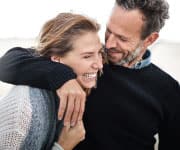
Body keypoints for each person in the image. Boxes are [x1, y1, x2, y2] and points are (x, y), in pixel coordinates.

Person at [0, 0, 180, 150]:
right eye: (109, 31)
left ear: (150, 39)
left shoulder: (169, 90)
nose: (108, 44)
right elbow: (8, 62)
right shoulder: (88, 62)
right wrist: (64, 78)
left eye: (122, 38)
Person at [0, 12, 103, 150]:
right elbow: (6, 62)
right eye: (87, 56)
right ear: (56, 60)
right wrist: (63, 146)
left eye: (100, 53)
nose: (99, 64)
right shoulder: (22, 112)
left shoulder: (106, 68)